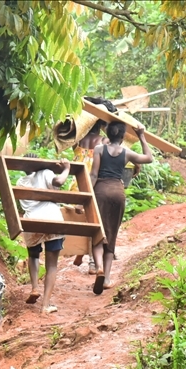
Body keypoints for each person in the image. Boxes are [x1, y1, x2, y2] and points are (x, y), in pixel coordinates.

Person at [90, 120, 154, 295]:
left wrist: (87, 195)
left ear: (108, 134)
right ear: (123, 136)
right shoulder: (126, 153)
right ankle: (107, 278)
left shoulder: (99, 150)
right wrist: (141, 136)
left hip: (100, 191)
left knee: (97, 231)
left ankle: (99, 268)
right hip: (118, 193)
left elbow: (94, 174)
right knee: (111, 233)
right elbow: (149, 158)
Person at [17, 155, 70, 314]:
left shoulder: (21, 181)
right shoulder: (46, 172)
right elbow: (59, 182)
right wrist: (67, 168)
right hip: (51, 218)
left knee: (33, 255)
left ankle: (34, 288)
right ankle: (45, 305)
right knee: (52, 264)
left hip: (31, 221)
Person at [74, 123, 107, 274]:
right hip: (93, 183)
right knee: (94, 222)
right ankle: (93, 263)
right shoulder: (103, 141)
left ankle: (80, 254)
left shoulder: (78, 139)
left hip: (77, 181)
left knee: (83, 221)